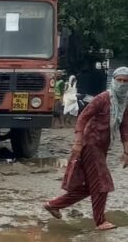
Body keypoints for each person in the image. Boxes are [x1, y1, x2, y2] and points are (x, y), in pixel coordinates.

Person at [44, 67, 128, 232]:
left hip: (103, 147)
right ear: (113, 81)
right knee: (103, 183)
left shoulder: (124, 102)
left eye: (126, 81)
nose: (122, 84)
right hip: (90, 143)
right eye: (119, 80)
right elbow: (83, 118)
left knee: (91, 186)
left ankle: (53, 205)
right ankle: (100, 221)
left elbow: (124, 127)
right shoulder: (103, 98)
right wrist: (78, 141)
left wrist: (126, 151)